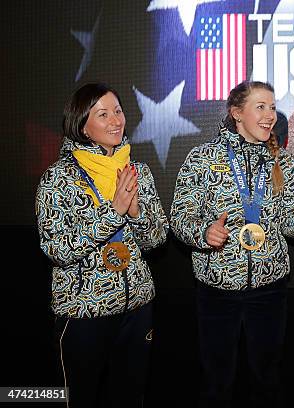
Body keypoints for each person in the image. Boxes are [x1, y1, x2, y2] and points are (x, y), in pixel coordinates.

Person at [170, 80, 294, 408]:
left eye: (272, 106)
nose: (270, 115)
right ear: (237, 113)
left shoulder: (282, 161)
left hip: (270, 289)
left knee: (267, 378)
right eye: (260, 107)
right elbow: (180, 218)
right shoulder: (203, 159)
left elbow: (288, 220)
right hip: (217, 291)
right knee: (217, 380)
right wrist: (204, 233)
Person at [35, 83, 168, 407]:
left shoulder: (139, 171)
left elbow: (156, 239)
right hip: (83, 313)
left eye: (118, 111)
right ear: (82, 125)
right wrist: (113, 213)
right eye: (103, 114)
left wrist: (136, 212)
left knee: (131, 396)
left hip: (137, 308)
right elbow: (56, 249)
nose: (115, 121)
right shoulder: (59, 178)